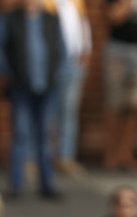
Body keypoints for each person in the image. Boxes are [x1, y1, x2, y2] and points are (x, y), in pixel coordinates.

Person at [0, 0, 66, 199]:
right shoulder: (9, 19)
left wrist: (58, 75)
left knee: (45, 136)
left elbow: (62, 51)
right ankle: (16, 185)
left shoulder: (52, 20)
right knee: (20, 135)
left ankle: (47, 184)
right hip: (20, 87)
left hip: (47, 87)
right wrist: (7, 73)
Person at [103, 0, 137, 172]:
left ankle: (125, 154)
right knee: (114, 104)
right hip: (118, 51)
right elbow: (114, 17)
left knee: (136, 105)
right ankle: (110, 155)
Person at [54, 0, 91, 176]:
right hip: (52, 64)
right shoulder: (45, 3)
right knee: (48, 113)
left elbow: (83, 24)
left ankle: (66, 157)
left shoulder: (76, 2)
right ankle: (38, 159)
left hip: (74, 63)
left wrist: (86, 50)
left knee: (69, 112)